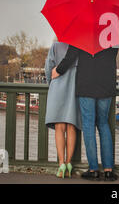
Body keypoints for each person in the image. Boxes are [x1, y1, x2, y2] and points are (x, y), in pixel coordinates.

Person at [52, 45, 119, 181]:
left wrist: (58, 70)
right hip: (107, 82)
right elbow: (113, 55)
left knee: (88, 125)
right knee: (103, 123)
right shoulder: (112, 32)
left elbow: (71, 56)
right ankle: (108, 170)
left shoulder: (81, 30)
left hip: (86, 83)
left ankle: (93, 169)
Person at [45, 40, 82, 179]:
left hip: (57, 87)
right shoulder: (80, 45)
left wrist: (51, 83)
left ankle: (61, 163)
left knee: (59, 127)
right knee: (71, 127)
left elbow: (49, 66)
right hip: (74, 87)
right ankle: (69, 163)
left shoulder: (55, 45)